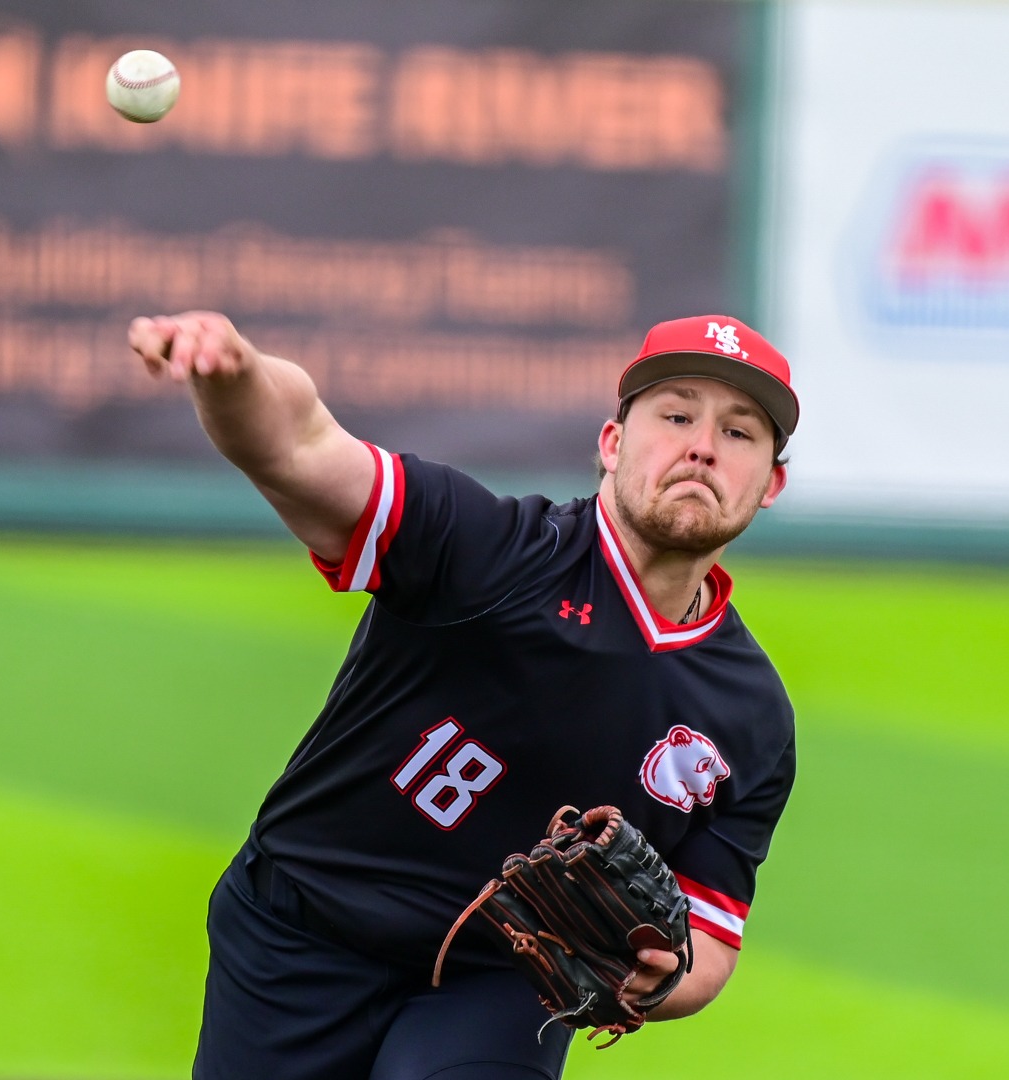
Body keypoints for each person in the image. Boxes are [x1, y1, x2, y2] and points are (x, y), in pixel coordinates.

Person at [128, 310, 799, 1080]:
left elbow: (709, 939)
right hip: (300, 935)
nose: (703, 447)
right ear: (613, 444)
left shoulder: (750, 715)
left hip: (501, 984)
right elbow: (301, 445)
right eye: (676, 415)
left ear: (771, 483)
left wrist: (664, 977)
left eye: (740, 433)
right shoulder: (489, 551)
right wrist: (235, 373)